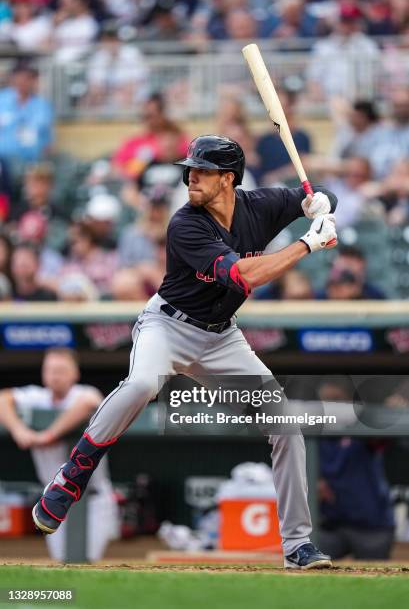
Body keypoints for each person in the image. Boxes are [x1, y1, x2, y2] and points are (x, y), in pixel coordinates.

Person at [32, 134, 338, 569]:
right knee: (140, 383)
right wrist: (307, 243)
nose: (190, 176)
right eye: (189, 169)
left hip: (222, 337)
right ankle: (71, 476)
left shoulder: (261, 205)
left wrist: (319, 203)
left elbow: (324, 193)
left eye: (202, 170)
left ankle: (297, 545)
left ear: (228, 179)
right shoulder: (185, 224)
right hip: (169, 325)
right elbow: (243, 277)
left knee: (285, 425)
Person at [0, 347, 118, 562]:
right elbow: (3, 399)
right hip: (52, 497)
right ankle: (69, 596)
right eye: (51, 370)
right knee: (62, 563)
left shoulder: (82, 393)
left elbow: (90, 402)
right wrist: (19, 430)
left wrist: (49, 434)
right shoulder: (36, 397)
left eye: (62, 370)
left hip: (92, 498)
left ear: (75, 374)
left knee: (85, 562)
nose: (55, 375)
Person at [317, 378, 395, 560]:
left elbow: (382, 438)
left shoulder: (364, 426)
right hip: (330, 524)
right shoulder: (312, 430)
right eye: (325, 401)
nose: (331, 407)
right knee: (309, 570)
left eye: (336, 400)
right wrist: (311, 480)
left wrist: (391, 411)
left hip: (371, 525)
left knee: (377, 581)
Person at [0, 61, 54, 165]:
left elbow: (48, 140)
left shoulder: (43, 106)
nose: (23, 82)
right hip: (3, 162)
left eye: (28, 78)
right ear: (13, 79)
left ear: (34, 81)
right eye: (20, 77)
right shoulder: (1, 100)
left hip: (31, 162)